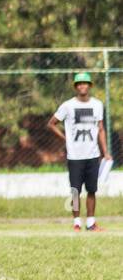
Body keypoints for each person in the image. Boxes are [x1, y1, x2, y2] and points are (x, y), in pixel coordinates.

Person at [48, 72, 109, 231]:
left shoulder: (97, 104)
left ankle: (90, 223)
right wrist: (65, 139)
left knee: (91, 190)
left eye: (85, 83)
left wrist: (105, 151)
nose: (83, 86)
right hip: (75, 156)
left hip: (93, 155)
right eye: (79, 83)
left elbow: (101, 129)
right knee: (75, 191)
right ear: (76, 87)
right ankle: (76, 222)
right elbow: (52, 123)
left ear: (89, 86)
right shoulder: (68, 105)